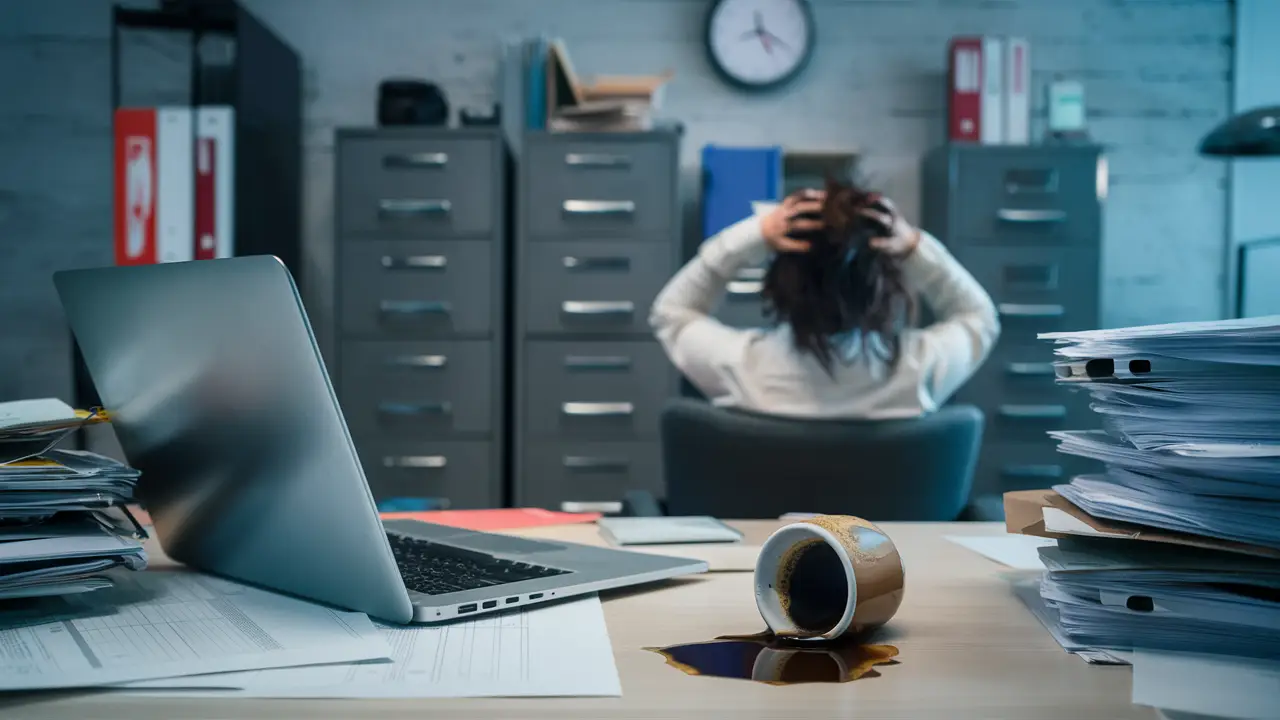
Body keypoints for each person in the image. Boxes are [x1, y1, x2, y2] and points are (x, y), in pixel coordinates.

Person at [649, 180, 1000, 419]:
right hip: (884, 533)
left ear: (780, 283)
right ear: (881, 286)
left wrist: (756, 234)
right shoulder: (917, 371)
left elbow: (671, 311)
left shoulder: (740, 368)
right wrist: (913, 246)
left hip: (768, 532)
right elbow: (979, 317)